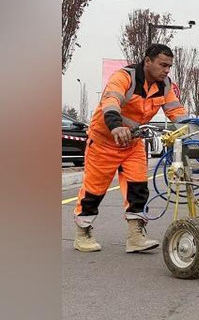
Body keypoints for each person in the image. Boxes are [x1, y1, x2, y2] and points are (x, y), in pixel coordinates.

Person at [73, 44, 189, 253]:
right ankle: (83, 233)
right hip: (104, 142)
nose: (166, 70)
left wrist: (194, 129)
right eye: (162, 65)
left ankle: (135, 236)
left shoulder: (164, 86)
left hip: (132, 144)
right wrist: (116, 126)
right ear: (147, 62)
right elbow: (111, 101)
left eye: (169, 67)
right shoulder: (124, 77)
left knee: (138, 188)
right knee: (94, 191)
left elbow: (175, 111)